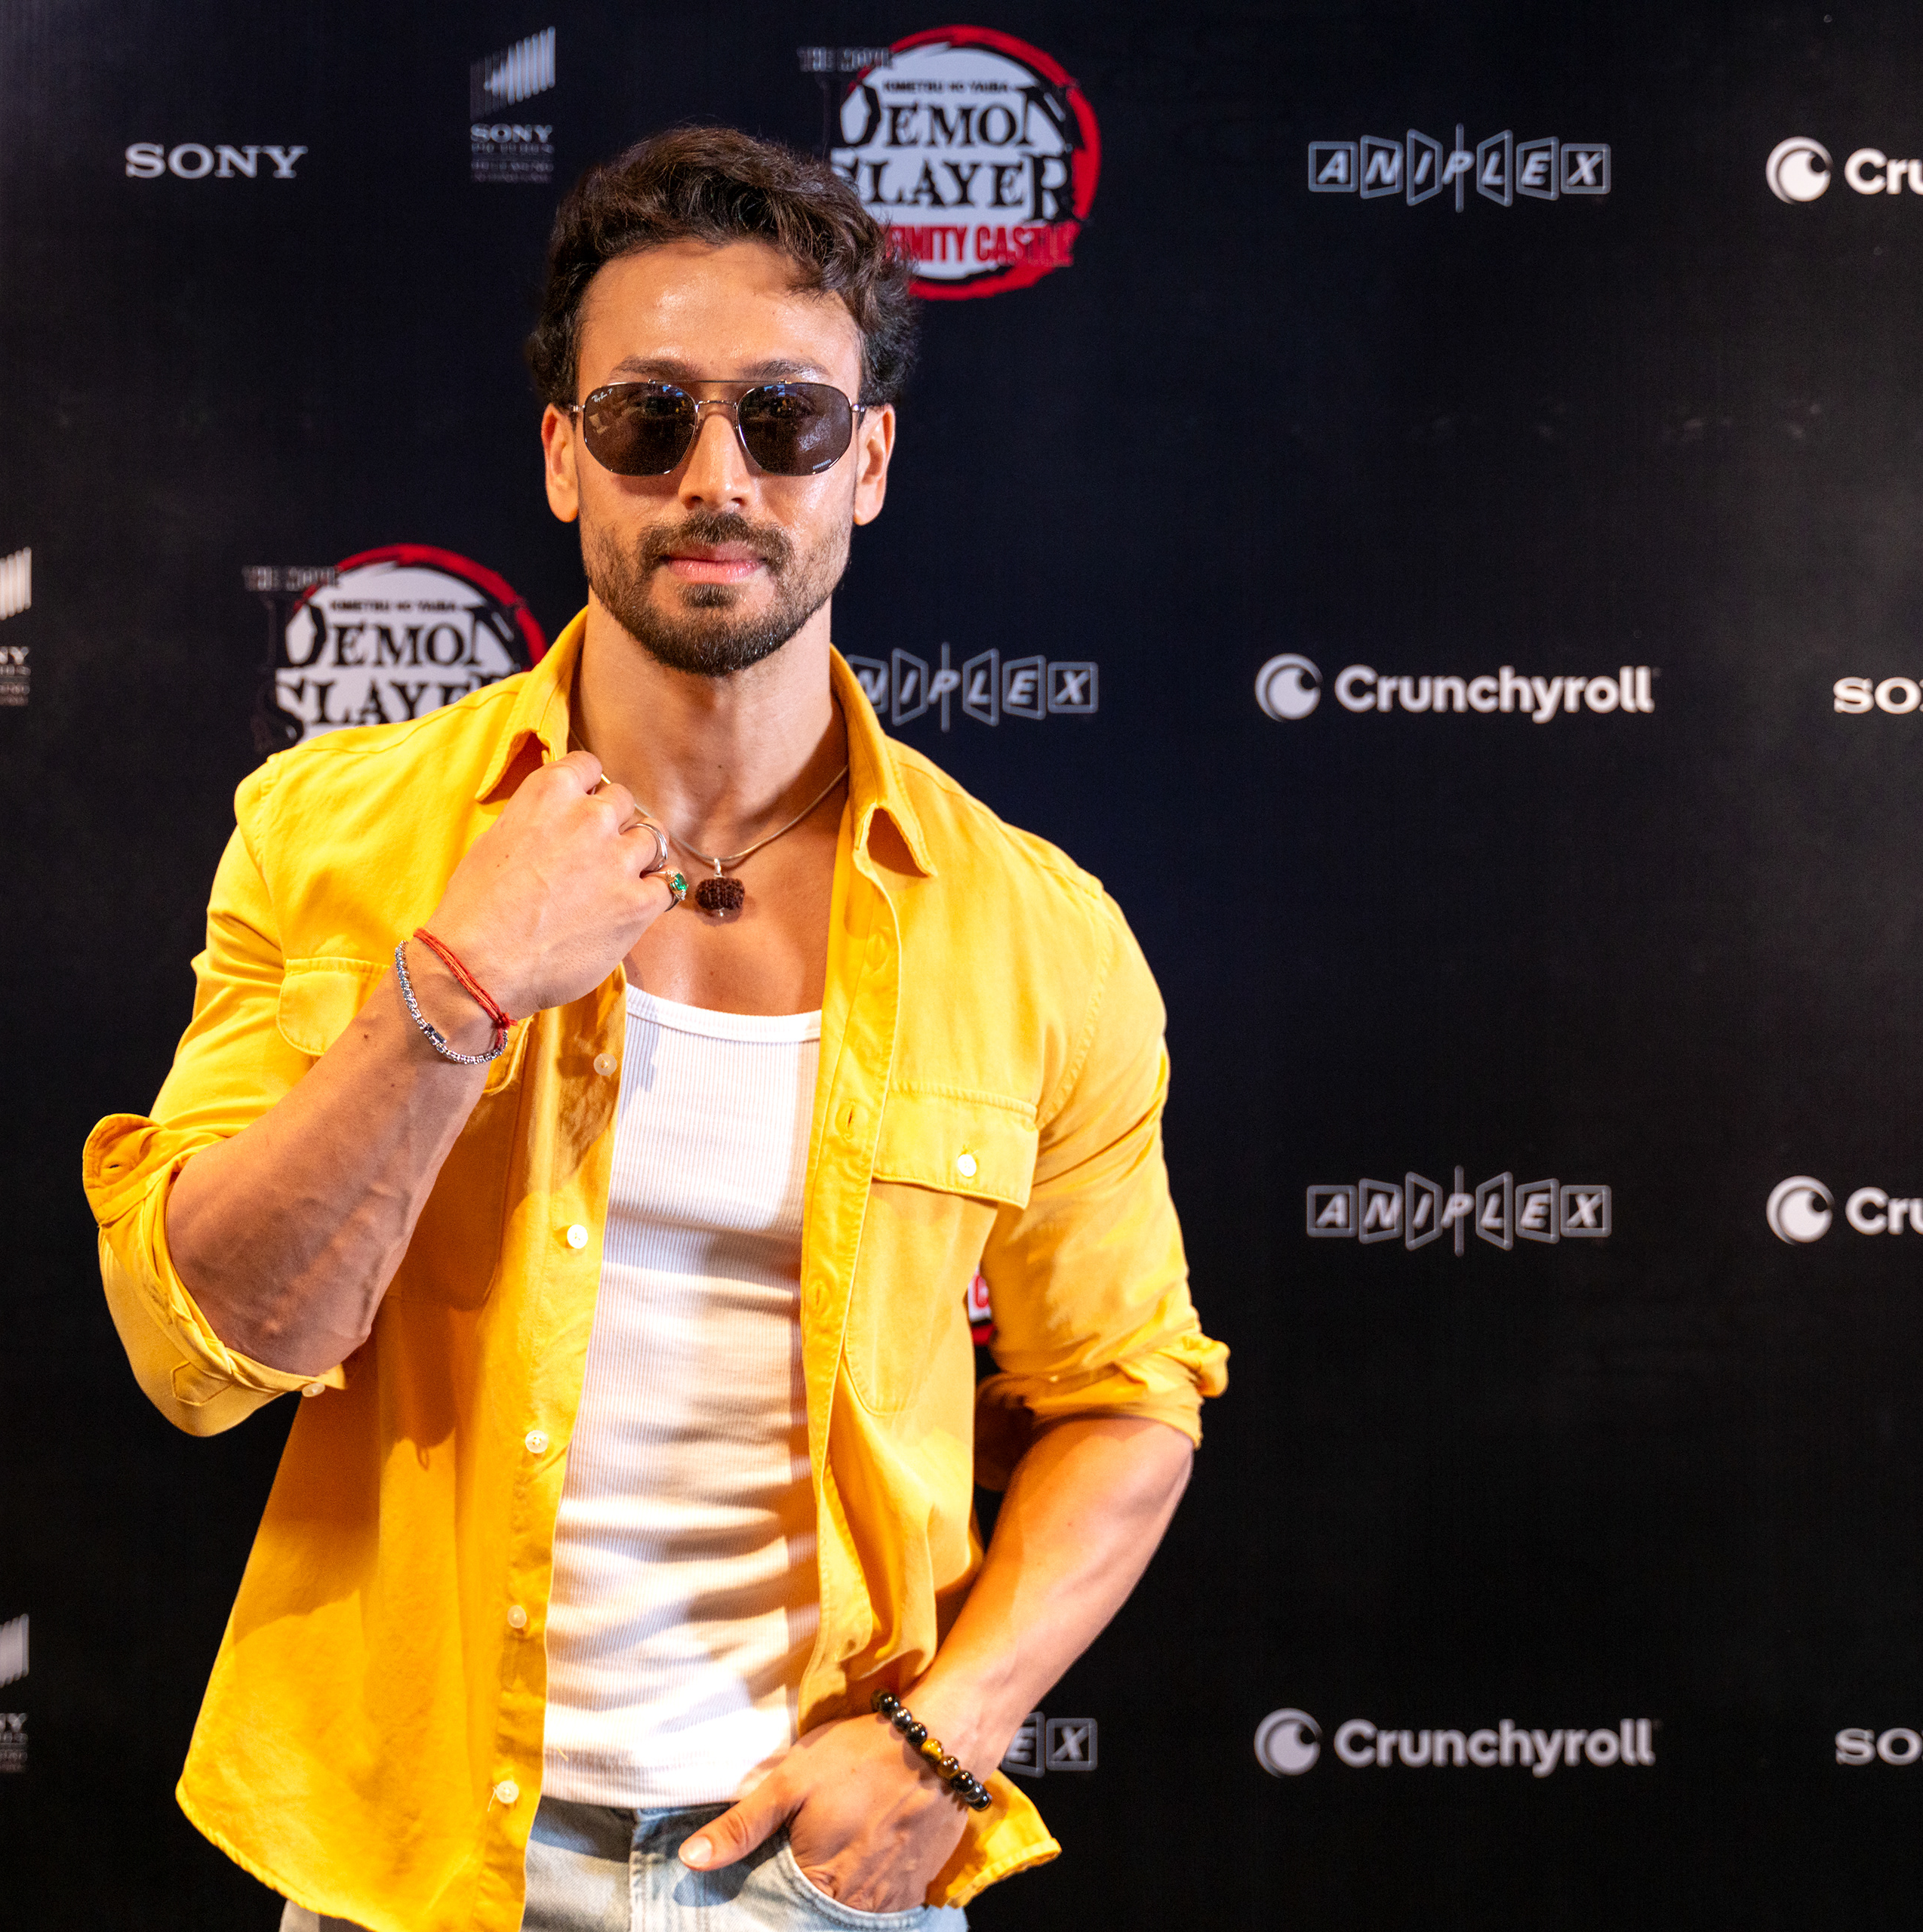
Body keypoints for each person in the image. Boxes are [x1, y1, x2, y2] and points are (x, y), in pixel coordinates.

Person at [82, 125, 1226, 1932]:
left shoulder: (1036, 931)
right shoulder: (335, 836)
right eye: (646, 418)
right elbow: (204, 1346)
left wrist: (946, 1741)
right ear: (563, 456)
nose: (716, 477)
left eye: (783, 419)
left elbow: (1126, 1396)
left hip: (815, 1861)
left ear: (867, 462)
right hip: (411, 1852)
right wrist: (455, 988)